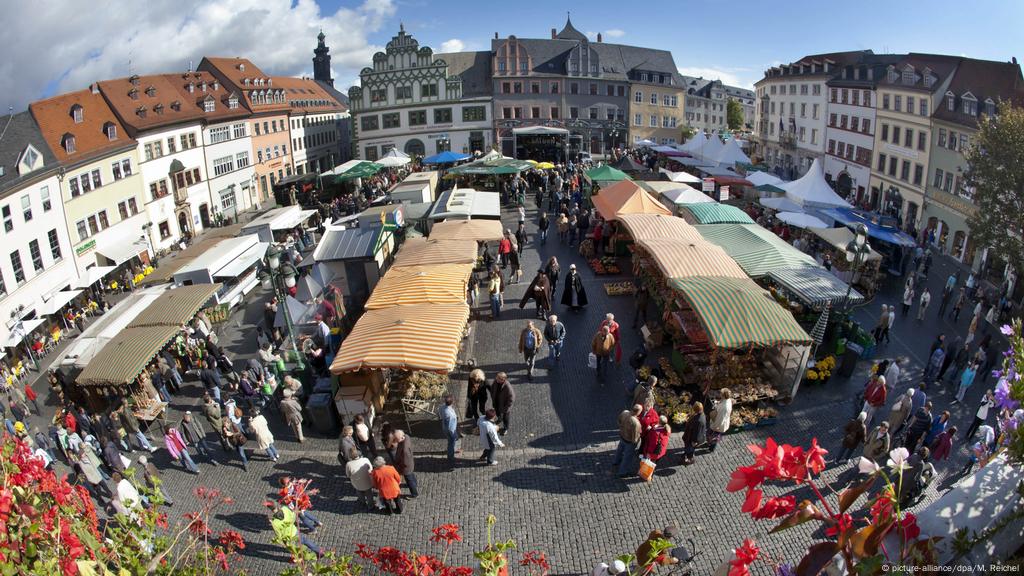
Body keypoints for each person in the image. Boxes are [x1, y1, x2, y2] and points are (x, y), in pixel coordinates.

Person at [612, 405, 643, 477]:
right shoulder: (636, 423)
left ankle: (616, 461)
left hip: (622, 436)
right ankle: (622, 472)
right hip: (629, 441)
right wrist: (636, 443)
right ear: (638, 412)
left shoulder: (624, 412)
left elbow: (619, 421)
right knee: (627, 457)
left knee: (619, 450)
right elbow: (635, 437)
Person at [392, 429, 418, 498]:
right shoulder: (406, 436)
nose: (396, 441)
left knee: (409, 480)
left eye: (397, 440)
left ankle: (414, 493)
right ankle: (415, 483)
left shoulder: (405, 450)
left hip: (406, 468)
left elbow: (405, 463)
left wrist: (399, 468)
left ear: (401, 438)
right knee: (411, 475)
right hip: (410, 465)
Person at [441, 395, 459, 466]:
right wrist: (454, 435)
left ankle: (453, 451)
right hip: (450, 430)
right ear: (452, 402)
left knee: (450, 441)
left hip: (444, 427)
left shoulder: (442, 407)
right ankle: (451, 457)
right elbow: (451, 428)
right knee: (451, 443)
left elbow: (439, 413)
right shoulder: (450, 415)